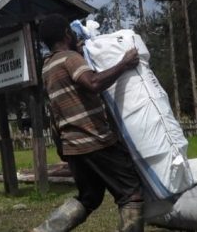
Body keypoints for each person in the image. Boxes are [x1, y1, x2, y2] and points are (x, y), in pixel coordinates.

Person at [34, 14, 144, 232]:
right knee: (132, 194)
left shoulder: (48, 66)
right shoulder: (69, 58)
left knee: (89, 197)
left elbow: (56, 109)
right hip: (94, 140)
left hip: (73, 147)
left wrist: (61, 147)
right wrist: (124, 63)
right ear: (67, 33)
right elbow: (92, 82)